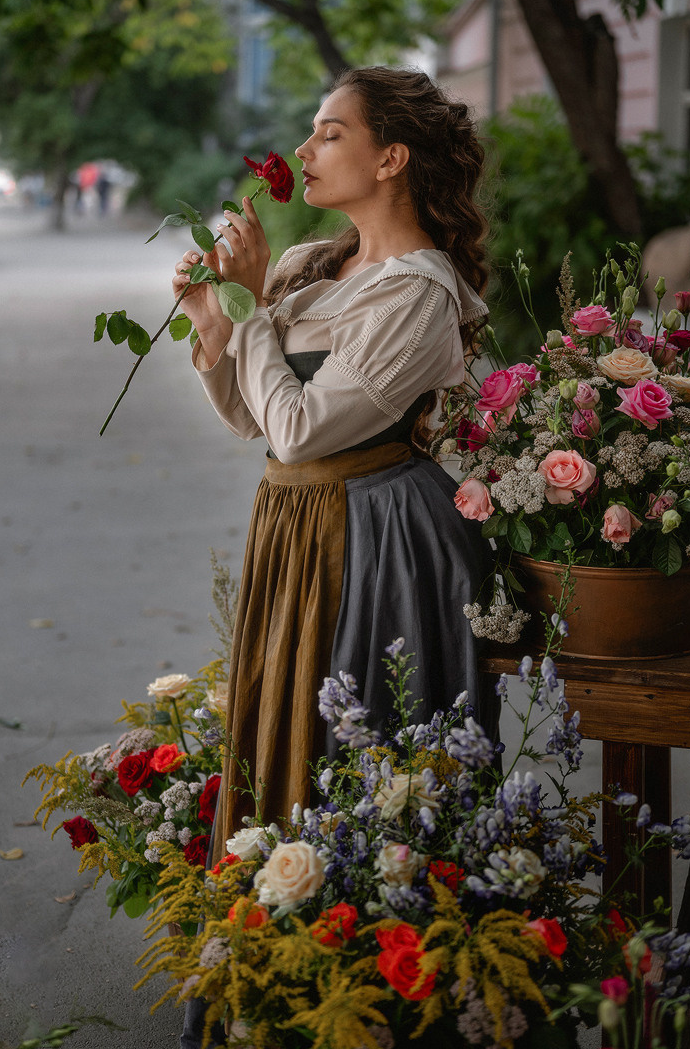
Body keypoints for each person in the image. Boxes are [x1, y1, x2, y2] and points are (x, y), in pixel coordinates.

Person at [173, 61, 493, 868]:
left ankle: (355, 944)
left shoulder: (417, 294)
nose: (304, 147)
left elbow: (302, 429)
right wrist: (215, 319)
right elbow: (253, 418)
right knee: (281, 721)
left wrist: (248, 317)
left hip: (376, 538)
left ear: (392, 159)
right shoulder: (316, 265)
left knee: (356, 742)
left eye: (331, 131)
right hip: (294, 523)